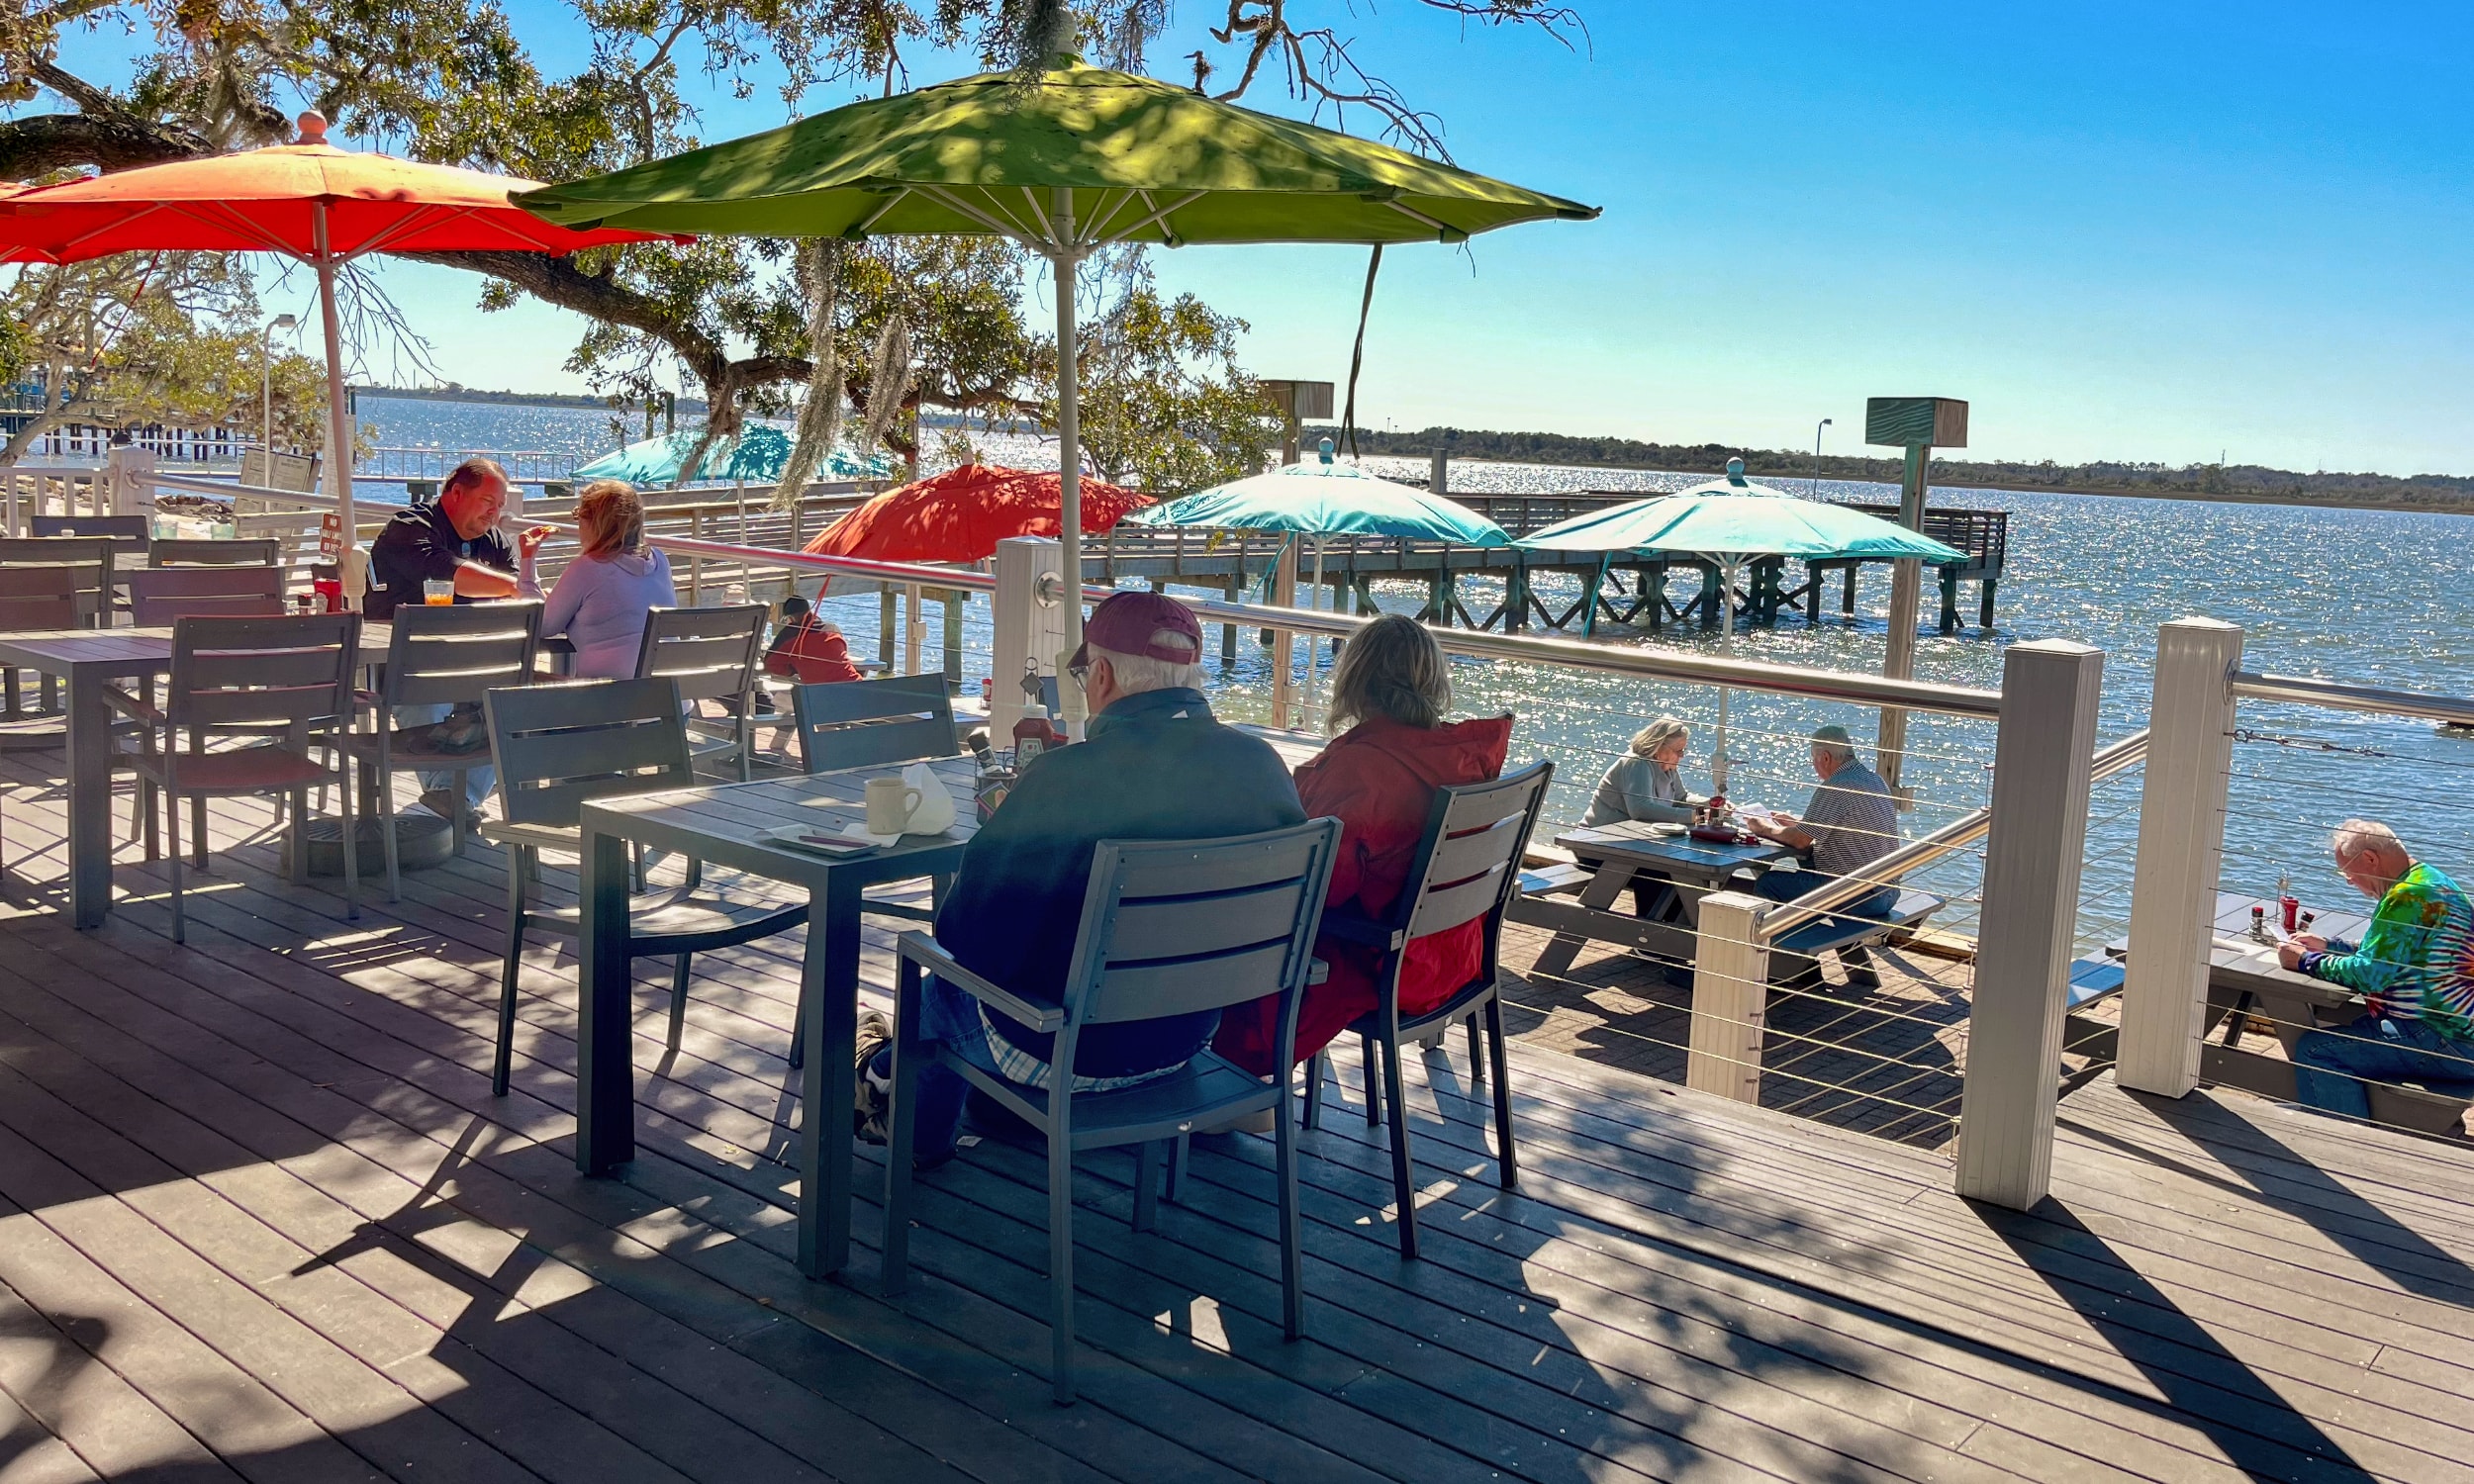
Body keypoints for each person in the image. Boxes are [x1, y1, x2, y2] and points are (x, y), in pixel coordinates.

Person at [860, 591, 1305, 1163]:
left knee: (938, 985)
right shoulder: (1261, 766)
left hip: (1064, 1056)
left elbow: (967, 937)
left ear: (1100, 674)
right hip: (1190, 1040)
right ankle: (895, 1079)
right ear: (1191, 674)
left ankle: (905, 1126)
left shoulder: (1064, 779)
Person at [1214, 613, 1511, 1077]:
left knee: (1231, 936)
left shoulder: (1362, 768)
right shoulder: (1464, 757)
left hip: (1386, 964)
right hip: (1454, 955)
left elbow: (1316, 890)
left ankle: (1221, 1090)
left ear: (1354, 679)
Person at [366, 457, 546, 824]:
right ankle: (453, 797)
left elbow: (518, 599)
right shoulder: (410, 527)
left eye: (499, 507)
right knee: (433, 700)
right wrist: (518, 586)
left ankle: (453, 798)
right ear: (456, 493)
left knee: (521, 701)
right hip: (402, 664)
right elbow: (452, 576)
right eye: (487, 502)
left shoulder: (494, 541)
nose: (495, 514)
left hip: (472, 663)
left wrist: (520, 584)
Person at [2279, 820, 2474, 1118]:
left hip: (2442, 1040)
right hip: (2459, 1033)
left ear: (2370, 859)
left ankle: (2343, 1143)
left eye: (2347, 871)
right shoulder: (2430, 880)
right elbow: (2395, 953)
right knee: (2349, 1029)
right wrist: (2331, 946)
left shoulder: (2406, 897)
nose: (2348, 880)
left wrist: (2304, 961)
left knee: (2318, 1050)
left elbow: (2370, 974)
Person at [1741, 723, 1900, 917]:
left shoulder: (1836, 786)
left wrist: (1762, 827)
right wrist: (1799, 824)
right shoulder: (1875, 780)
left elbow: (1800, 840)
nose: (1814, 765)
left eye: (1813, 759)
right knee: (1807, 863)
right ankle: (1800, 929)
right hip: (1887, 891)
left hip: (1860, 896)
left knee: (1768, 882)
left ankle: (1781, 942)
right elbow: (1843, 826)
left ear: (1825, 757)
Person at [528, 479, 675, 680]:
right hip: (670, 702)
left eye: (578, 515)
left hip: (609, 703)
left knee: (522, 677)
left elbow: (542, 626)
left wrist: (528, 559)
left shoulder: (587, 568)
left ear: (595, 523)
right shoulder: (661, 560)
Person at [1584, 716, 1701, 825]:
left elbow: (1681, 799)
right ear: (1658, 746)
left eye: (1683, 749)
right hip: (1600, 835)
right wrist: (1693, 816)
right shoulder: (1637, 763)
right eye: (1678, 750)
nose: (1682, 755)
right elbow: (1641, 809)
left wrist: (1712, 804)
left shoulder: (1667, 766)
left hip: (1633, 835)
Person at [764, 594, 863, 685]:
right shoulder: (833, 629)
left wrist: (793, 669)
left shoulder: (790, 634)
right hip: (855, 684)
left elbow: (770, 664)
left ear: (791, 618)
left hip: (821, 693)